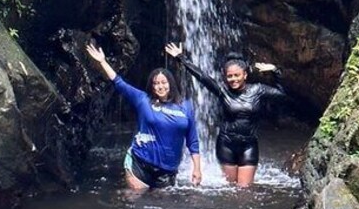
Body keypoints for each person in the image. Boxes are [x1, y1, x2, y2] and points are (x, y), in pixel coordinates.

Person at [164, 42, 284, 187]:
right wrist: (181, 58)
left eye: (237, 75)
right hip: (226, 145)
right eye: (230, 76)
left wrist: (275, 71)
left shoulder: (258, 90)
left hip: (249, 145)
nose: (233, 79)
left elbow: (281, 95)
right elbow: (202, 76)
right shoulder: (222, 91)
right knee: (231, 190)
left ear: (245, 75)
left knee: (244, 190)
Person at [85, 43, 202, 190]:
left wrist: (197, 168)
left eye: (164, 83)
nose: (160, 87)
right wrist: (102, 61)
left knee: (164, 208)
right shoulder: (143, 100)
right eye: (156, 83)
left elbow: (193, 141)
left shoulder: (185, 107)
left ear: (171, 84)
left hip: (167, 171)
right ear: (152, 86)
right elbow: (119, 83)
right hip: (139, 163)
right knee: (135, 202)